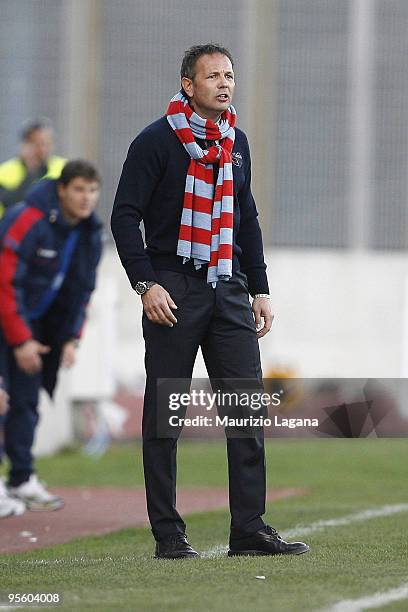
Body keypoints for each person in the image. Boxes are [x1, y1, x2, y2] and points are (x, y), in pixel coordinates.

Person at [111, 43, 309, 559]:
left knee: (247, 410)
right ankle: (169, 535)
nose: (224, 83)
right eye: (213, 75)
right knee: (166, 414)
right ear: (188, 84)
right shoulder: (155, 141)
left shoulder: (236, 141)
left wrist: (260, 288)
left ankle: (249, 528)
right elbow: (124, 216)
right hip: (172, 287)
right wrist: (145, 284)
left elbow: (247, 219)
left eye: (230, 75)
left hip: (229, 284)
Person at [0, 160, 103, 514]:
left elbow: (83, 290)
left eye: (92, 190)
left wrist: (71, 338)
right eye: (78, 189)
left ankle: (21, 479)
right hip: (7, 319)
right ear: (61, 190)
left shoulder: (90, 232)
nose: (86, 198)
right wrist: (20, 340)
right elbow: (4, 282)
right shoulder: (27, 218)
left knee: (26, 402)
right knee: (0, 399)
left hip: (36, 328)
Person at [0, 118, 66, 218]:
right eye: (38, 144)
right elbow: (11, 204)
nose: (44, 149)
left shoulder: (64, 167)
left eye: (47, 143)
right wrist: (31, 170)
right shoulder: (4, 172)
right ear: (25, 145)